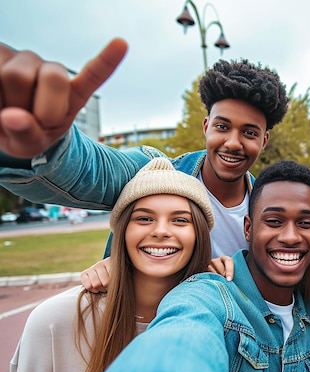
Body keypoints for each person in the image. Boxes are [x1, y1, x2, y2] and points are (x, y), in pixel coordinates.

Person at [79, 160, 310, 372]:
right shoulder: (208, 294)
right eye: (274, 221)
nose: (290, 236)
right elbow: (183, 338)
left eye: (305, 223)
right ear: (248, 228)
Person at [0, 38, 289, 266]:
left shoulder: (271, 209)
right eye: (223, 127)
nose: (233, 143)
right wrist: (46, 143)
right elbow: (93, 171)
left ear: (263, 141)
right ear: (206, 126)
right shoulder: (155, 173)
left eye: (249, 133)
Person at [1, 158, 214, 372]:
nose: (161, 231)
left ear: (199, 235)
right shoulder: (53, 321)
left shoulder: (220, 317)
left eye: (180, 220)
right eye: (144, 218)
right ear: (123, 231)